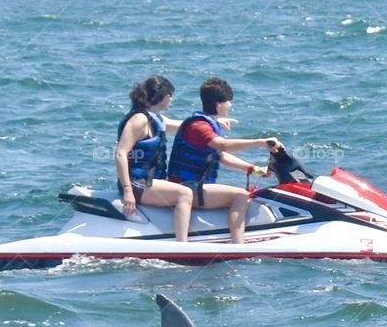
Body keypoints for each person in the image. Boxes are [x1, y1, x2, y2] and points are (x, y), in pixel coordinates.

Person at [168, 77, 283, 243]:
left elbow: (220, 156)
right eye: (229, 101)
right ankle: (238, 246)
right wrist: (261, 142)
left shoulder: (205, 123)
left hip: (194, 186)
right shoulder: (199, 127)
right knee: (240, 196)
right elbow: (223, 145)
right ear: (218, 104)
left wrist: (255, 169)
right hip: (187, 188)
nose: (231, 105)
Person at [115, 76, 195, 240]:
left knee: (188, 187)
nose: (171, 102)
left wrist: (213, 122)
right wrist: (128, 191)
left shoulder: (155, 118)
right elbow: (120, 153)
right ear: (166, 97)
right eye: (171, 98)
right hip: (137, 183)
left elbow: (182, 125)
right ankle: (183, 246)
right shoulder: (139, 120)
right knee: (184, 194)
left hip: (148, 181)